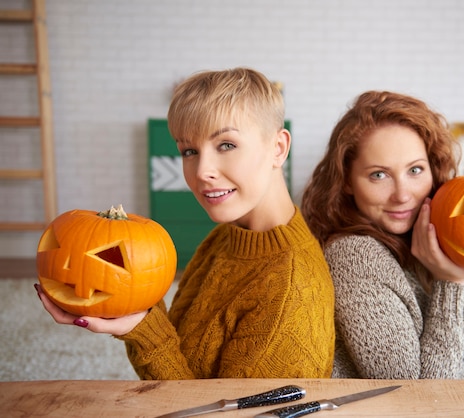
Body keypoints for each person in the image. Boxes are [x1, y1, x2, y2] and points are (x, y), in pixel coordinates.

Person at [35, 67, 335, 379]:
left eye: (226, 145)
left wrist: (146, 332)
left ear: (278, 148)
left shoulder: (290, 290)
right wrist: (139, 320)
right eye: (189, 151)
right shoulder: (223, 239)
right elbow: (184, 365)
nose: (202, 170)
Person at [301, 90, 464, 380]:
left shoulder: (431, 239)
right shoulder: (355, 256)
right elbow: (426, 398)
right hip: (403, 407)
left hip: (451, 387)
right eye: (379, 175)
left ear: (433, 168)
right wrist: (452, 283)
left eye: (415, 170)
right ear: (347, 181)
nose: (403, 195)